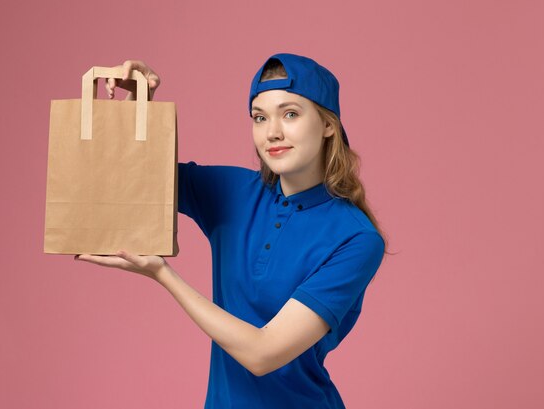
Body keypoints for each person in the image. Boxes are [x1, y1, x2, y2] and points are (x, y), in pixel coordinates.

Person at [75, 53, 390, 409]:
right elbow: (127, 174)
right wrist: (137, 106)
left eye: (290, 114)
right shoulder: (233, 192)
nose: (272, 132)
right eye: (259, 117)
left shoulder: (356, 239)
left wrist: (163, 274)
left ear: (328, 124)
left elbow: (263, 353)